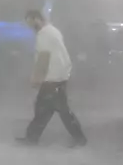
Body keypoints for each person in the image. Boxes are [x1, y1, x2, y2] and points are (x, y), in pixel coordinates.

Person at [17, 10, 87, 147]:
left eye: (30, 22)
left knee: (58, 111)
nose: (30, 26)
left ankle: (79, 140)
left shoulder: (43, 34)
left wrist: (36, 79)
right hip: (59, 76)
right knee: (46, 109)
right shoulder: (54, 31)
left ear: (36, 19)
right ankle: (32, 138)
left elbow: (43, 58)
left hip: (52, 78)